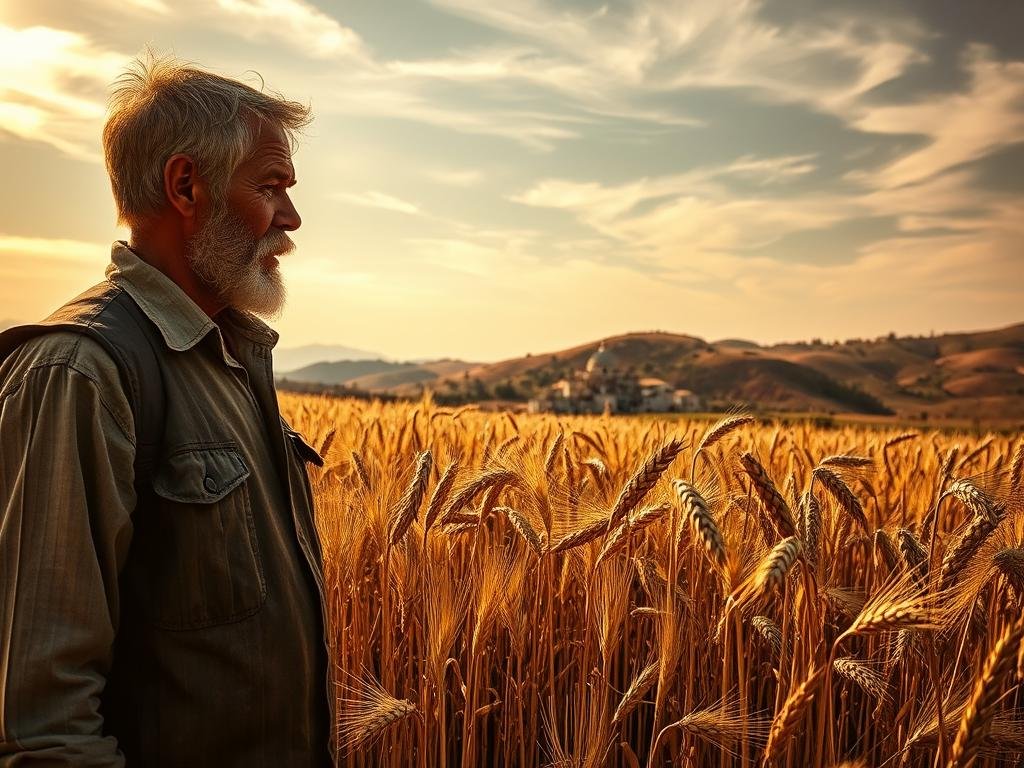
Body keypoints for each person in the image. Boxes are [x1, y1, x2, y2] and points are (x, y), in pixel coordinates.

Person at [0, 56, 333, 766]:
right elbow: (43, 724)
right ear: (187, 185)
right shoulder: (81, 372)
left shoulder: (233, 359)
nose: (292, 218)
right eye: (271, 187)